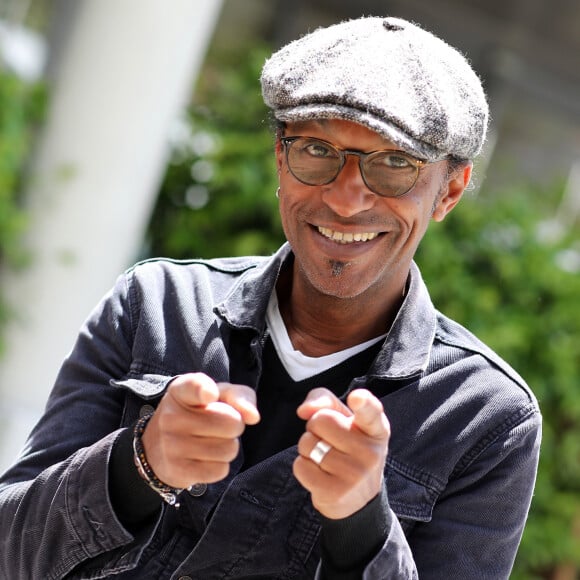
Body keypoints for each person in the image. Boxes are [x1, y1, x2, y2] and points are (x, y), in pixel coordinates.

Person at [0, 15, 541, 580]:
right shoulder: (153, 306)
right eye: (316, 149)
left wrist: (361, 524)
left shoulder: (486, 418)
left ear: (449, 190)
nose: (347, 198)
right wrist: (137, 465)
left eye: (394, 164)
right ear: (280, 157)